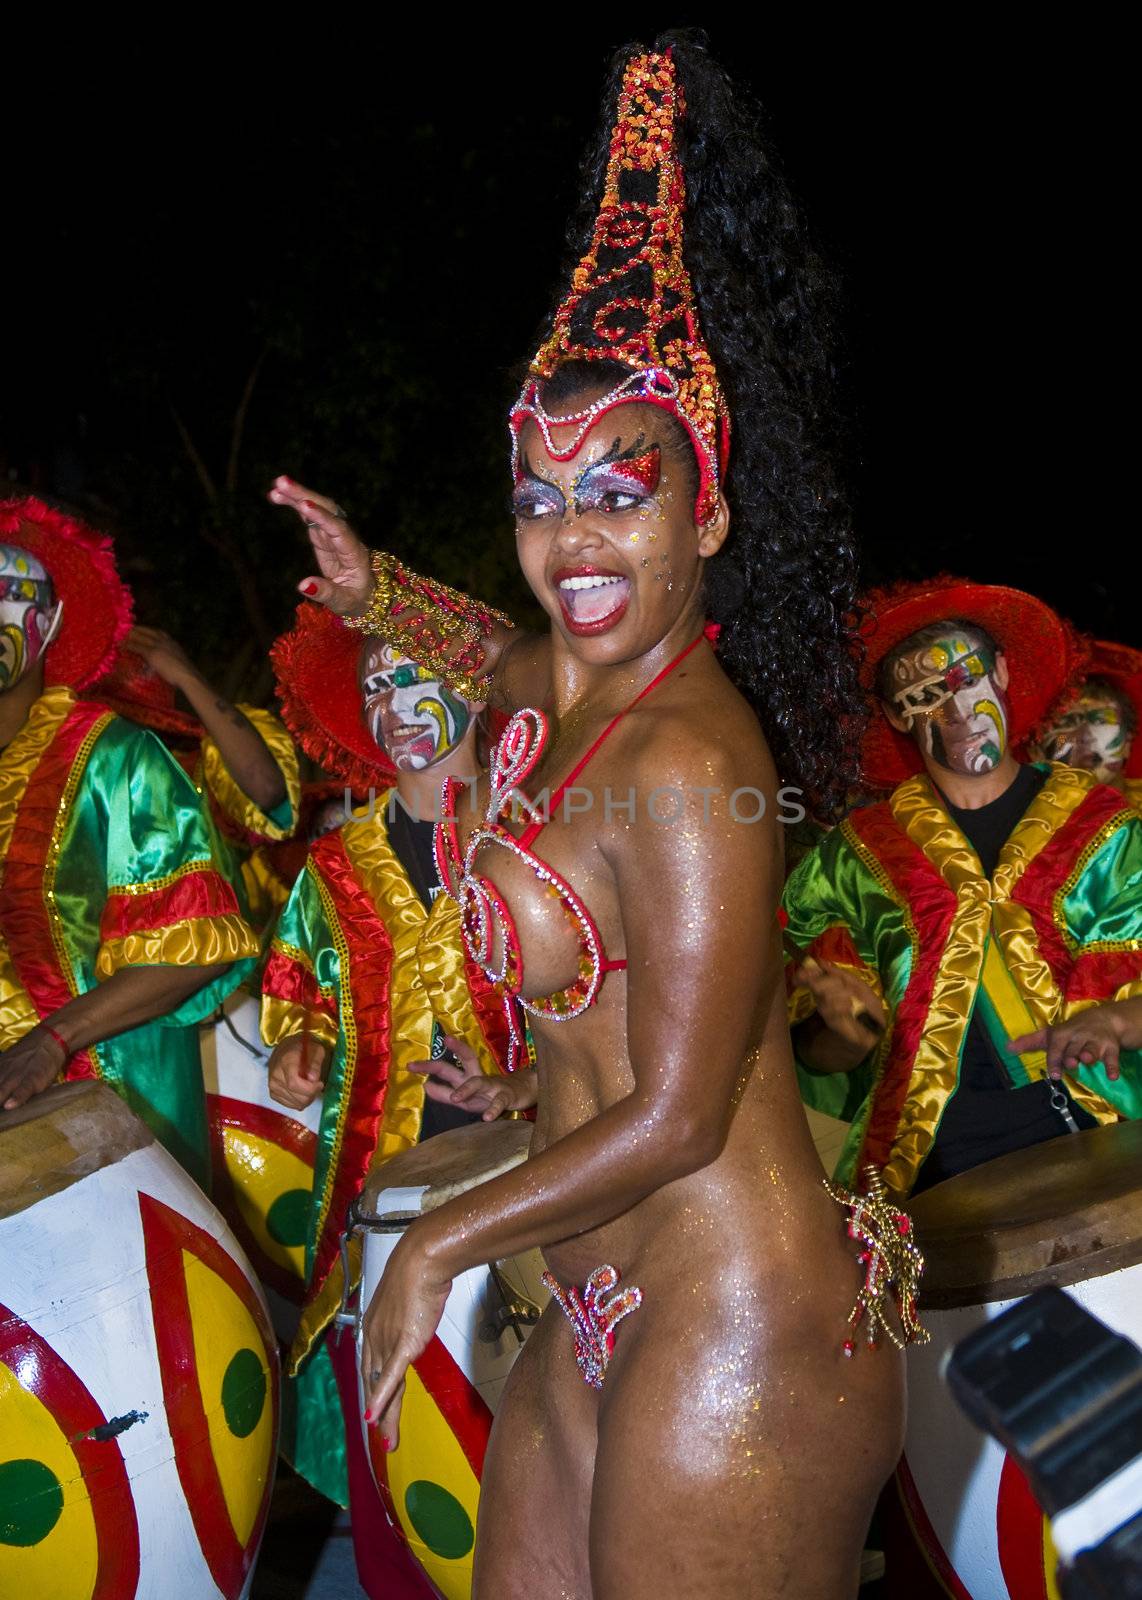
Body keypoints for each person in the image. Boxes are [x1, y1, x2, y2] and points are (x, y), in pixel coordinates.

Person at [271, 37, 922, 1597]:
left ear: (703, 508)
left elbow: (682, 1115)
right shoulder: (559, 688)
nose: (571, 537)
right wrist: (378, 602)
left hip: (737, 1315)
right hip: (598, 1301)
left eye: (617, 492)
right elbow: (495, 656)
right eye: (538, 495)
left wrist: (436, 1242)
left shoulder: (691, 760)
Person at [260, 599, 525, 1552]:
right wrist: (302, 1041)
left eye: (416, 675)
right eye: (377, 685)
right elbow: (296, 976)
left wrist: (525, 1089)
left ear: (472, 685)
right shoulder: (331, 866)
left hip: (530, 1193)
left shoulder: (540, 832)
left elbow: (619, 989)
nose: (394, 701)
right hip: (374, 1191)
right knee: (397, 1487)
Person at [785, 577, 1142, 1200]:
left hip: (1092, 1125)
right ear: (897, 715)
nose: (957, 713)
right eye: (923, 696)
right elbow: (817, 1057)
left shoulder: (1109, 831)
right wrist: (839, 1037)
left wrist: (1115, 1020)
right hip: (921, 1165)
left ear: (1000, 673)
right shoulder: (853, 859)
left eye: (965, 680)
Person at [0, 497, 259, 1186]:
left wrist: (50, 1041)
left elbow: (196, 950)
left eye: (7, 592)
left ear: (47, 623)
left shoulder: (117, 760)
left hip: (110, 1115)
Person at [91, 625, 301, 931]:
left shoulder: (201, 763)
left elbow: (266, 787)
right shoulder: (67, 769)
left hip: (215, 967)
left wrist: (185, 677)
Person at [1030, 637, 1142, 812]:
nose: (1084, 736)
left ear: (1128, 742)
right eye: (1066, 721)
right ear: (1035, 751)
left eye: (1100, 721)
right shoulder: (1018, 823)